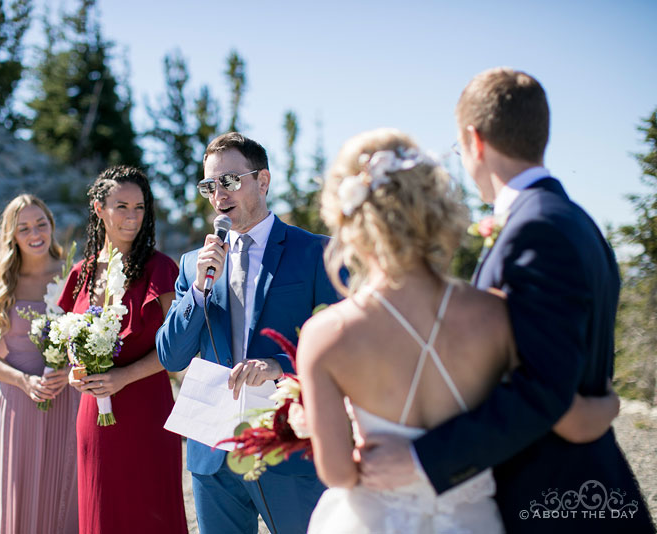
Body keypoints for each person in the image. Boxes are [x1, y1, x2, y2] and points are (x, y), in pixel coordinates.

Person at [358, 69, 654, 533]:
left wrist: (419, 458)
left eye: (460, 149)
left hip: (558, 502)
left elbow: (542, 390)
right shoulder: (575, 220)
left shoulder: (537, 231)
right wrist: (605, 402)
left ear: (475, 141)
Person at [297, 128, 622, 533]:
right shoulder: (496, 315)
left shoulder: (326, 335)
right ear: (432, 206)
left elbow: (340, 474)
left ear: (348, 219)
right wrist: (609, 403)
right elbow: (554, 409)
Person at [156, 132, 339, 534]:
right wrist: (200, 291)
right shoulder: (192, 265)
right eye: (209, 186)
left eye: (230, 181)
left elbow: (344, 348)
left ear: (263, 181)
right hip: (213, 454)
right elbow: (171, 355)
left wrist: (278, 364)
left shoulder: (316, 253)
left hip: (287, 444)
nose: (219, 194)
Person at [58, 166, 186, 534]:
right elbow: (70, 337)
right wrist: (75, 369)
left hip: (147, 410)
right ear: (99, 208)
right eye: (121, 206)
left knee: (150, 509)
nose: (132, 217)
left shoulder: (161, 269)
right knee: (102, 509)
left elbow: (176, 348)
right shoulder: (80, 272)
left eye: (140, 207)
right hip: (94, 415)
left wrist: (123, 376)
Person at [0, 194, 80, 533]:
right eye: (24, 228)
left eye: (41, 224)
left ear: (51, 225)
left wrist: (66, 373)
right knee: (17, 496)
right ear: (12, 235)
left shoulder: (74, 275)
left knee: (65, 495)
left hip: (67, 399)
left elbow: (91, 338)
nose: (35, 233)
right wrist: (23, 381)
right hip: (16, 403)